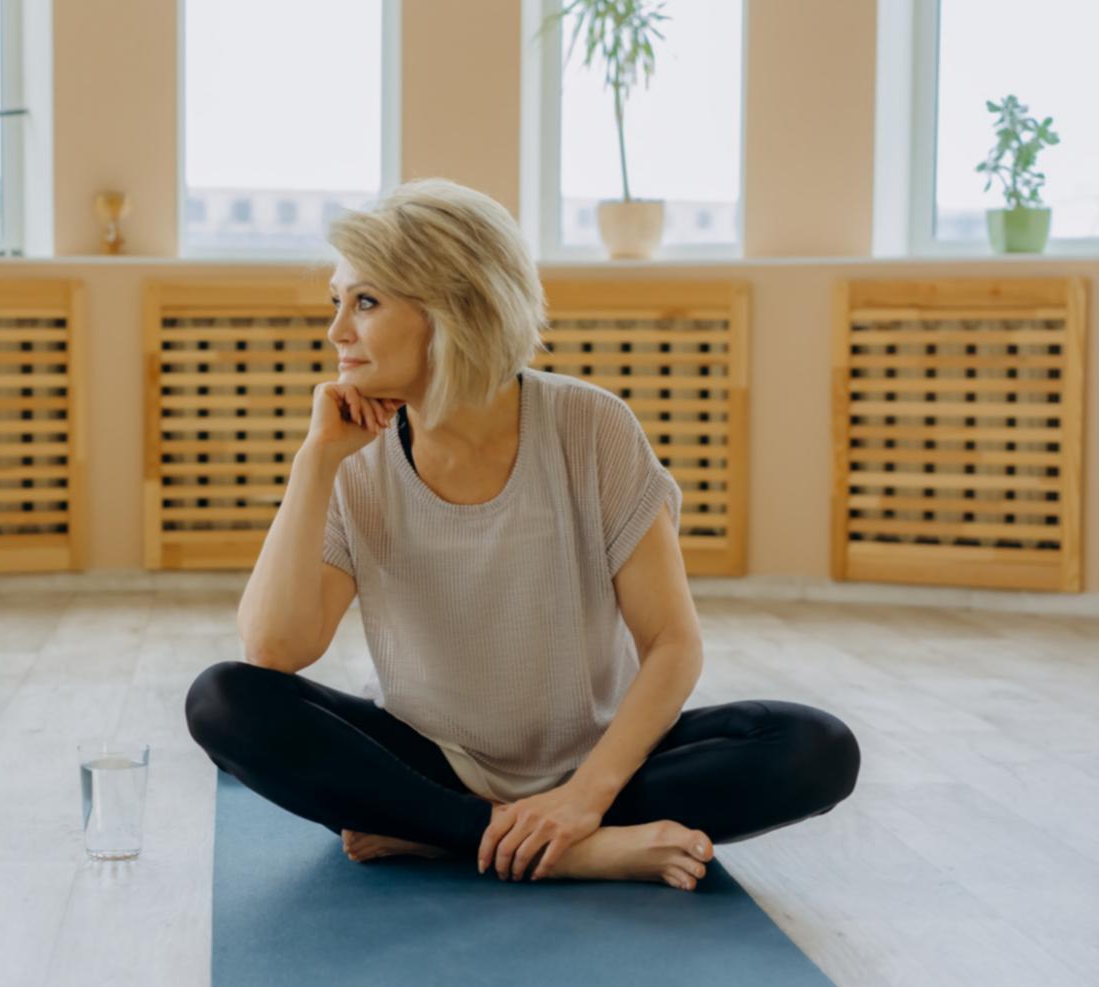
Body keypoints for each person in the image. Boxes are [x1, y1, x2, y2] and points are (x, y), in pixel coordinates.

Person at [184, 178, 860, 890]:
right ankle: (557, 850)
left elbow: (672, 643)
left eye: (366, 301)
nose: (337, 331)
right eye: (337, 302)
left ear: (452, 307)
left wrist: (582, 797)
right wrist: (314, 462)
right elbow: (274, 650)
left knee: (816, 747)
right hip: (430, 762)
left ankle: (443, 833)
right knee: (223, 701)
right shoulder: (353, 458)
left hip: (601, 763)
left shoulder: (591, 426)